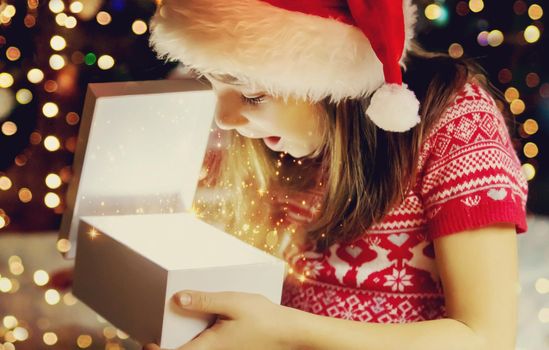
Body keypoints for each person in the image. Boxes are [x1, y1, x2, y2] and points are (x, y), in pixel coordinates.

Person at [143, 0, 529, 349]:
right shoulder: (272, 143)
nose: (225, 120)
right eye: (213, 85)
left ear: (331, 72)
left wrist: (283, 331)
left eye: (252, 95)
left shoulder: (457, 123)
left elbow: (486, 337)